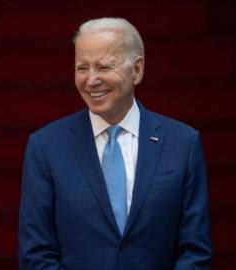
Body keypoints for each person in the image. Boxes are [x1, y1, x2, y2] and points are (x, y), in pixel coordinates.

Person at [19, 17, 212, 269]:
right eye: (82, 67)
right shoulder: (46, 147)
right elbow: (36, 254)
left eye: (104, 67)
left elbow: (195, 251)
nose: (91, 80)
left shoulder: (183, 143)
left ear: (137, 69)